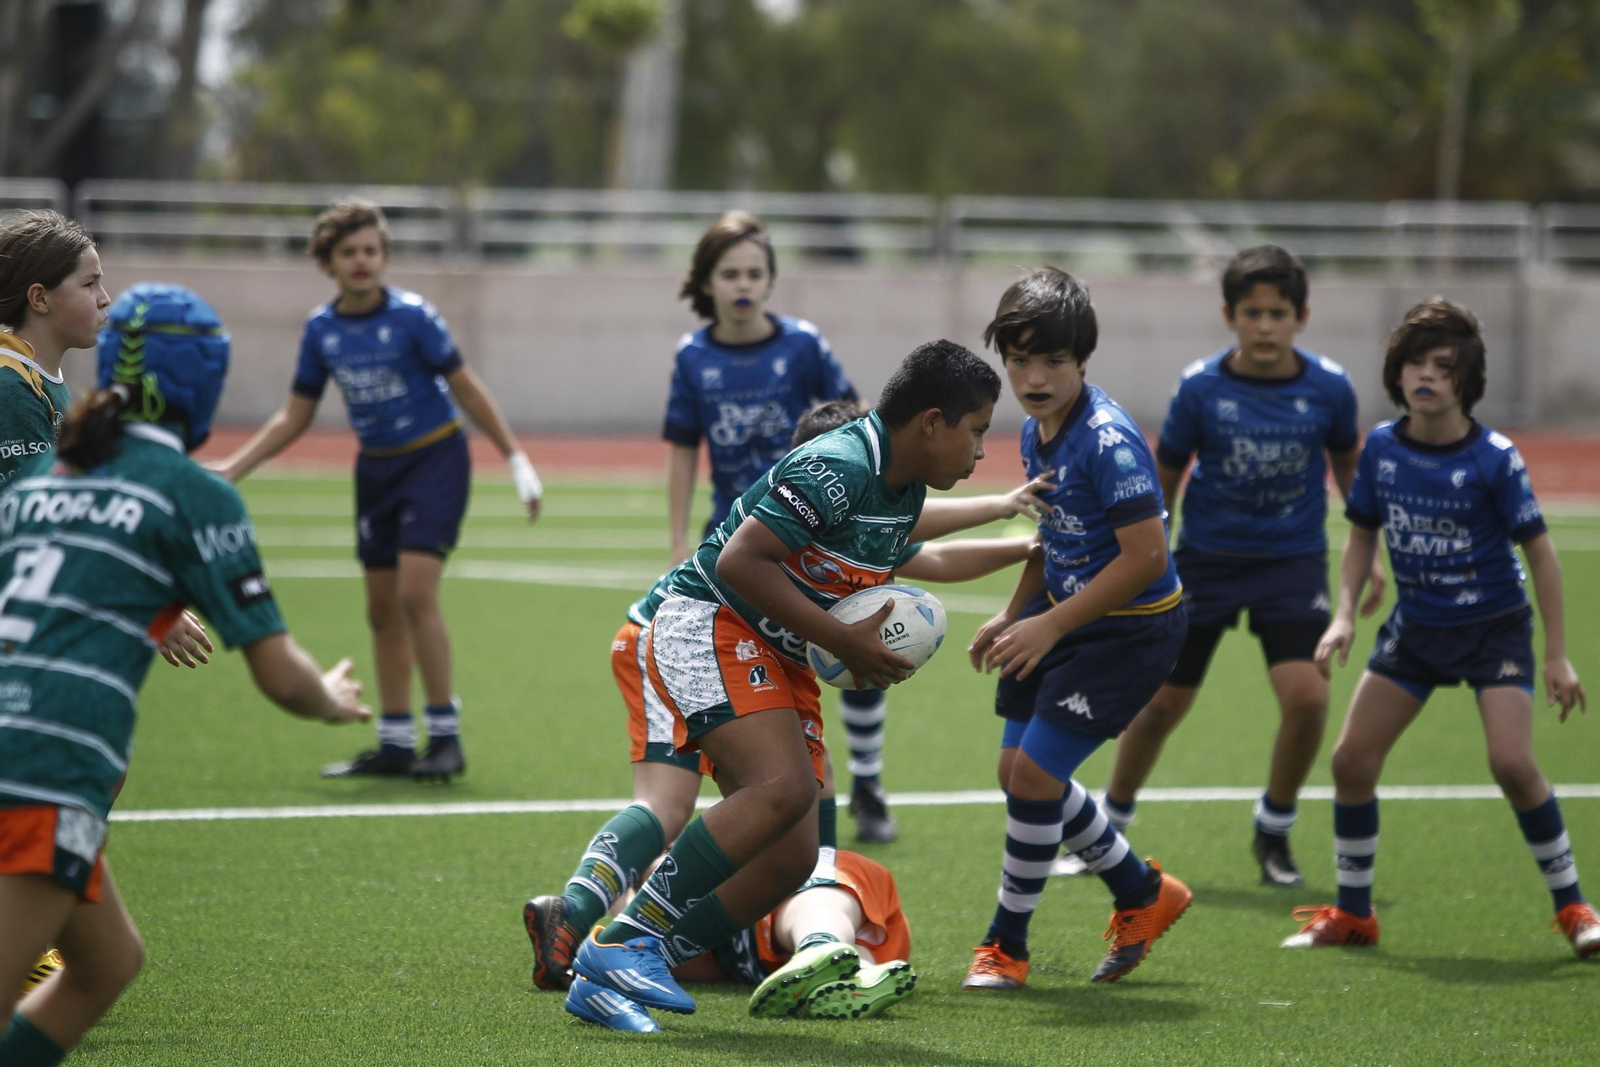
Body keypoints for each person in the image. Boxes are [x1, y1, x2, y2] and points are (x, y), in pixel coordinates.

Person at [524, 398, 1043, 994]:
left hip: (737, 649)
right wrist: (1006, 516)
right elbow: (923, 548)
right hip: (673, 635)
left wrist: (1018, 536)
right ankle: (589, 920)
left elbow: (931, 552)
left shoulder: (865, 518)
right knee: (671, 803)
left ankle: (632, 942)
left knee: (788, 806)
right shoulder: (827, 498)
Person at [0, 283, 370, 1065]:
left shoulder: (47, 479)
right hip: (43, 768)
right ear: (203, 383)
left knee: (108, 964)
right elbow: (279, 673)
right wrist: (330, 700)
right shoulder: (194, 492)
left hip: (25, 747)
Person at [1282, 298, 1595, 957]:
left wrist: (1557, 655)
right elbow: (1361, 535)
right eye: (1415, 363)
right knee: (1350, 760)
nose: (1427, 375)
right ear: (1397, 373)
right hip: (1418, 628)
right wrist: (1344, 615)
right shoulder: (1381, 448)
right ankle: (1355, 914)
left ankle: (1574, 907)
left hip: (1494, 629)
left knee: (1512, 763)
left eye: (1444, 366)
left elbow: (1541, 556)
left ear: (1467, 381)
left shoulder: (1494, 458)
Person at [212, 200, 543, 782]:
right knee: (381, 609)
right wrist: (232, 469)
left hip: (435, 459)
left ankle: (445, 737)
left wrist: (515, 458)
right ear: (327, 263)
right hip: (376, 470)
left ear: (385, 256)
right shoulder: (322, 329)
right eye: (348, 252)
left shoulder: (414, 317)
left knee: (416, 595)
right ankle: (395, 742)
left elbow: (465, 388)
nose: (361, 260)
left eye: (371, 250)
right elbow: (295, 415)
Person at [1095, 244, 1384, 888]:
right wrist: (1149, 558)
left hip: (1291, 563)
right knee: (1159, 706)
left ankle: (1274, 827)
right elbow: (1164, 476)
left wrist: (1373, 554)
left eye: (1278, 313)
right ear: (1230, 316)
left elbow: (1349, 469)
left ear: (1301, 317)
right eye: (1252, 313)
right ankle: (1109, 825)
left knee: (1308, 698)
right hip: (1205, 561)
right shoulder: (1200, 386)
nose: (1265, 326)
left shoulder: (1330, 387)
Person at [0, 217, 213, 1001]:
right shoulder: (11, 386)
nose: (105, 297)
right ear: (38, 297)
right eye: (89, 283)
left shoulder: (41, 381)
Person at [962, 267, 1192, 991]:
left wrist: (1050, 626)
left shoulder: (1108, 441)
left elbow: (1146, 557)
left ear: (1083, 359)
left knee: (1035, 777)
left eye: (1053, 361)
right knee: (1017, 775)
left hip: (1129, 630)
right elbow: (1051, 536)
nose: (1034, 377)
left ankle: (1006, 946)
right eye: (1019, 360)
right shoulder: (1039, 431)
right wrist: (1015, 612)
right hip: (1063, 617)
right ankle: (1141, 891)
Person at [663, 211, 902, 843]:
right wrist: (678, 538)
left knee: (855, 638)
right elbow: (683, 447)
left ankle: (869, 784)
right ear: (706, 281)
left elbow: (858, 419)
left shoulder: (802, 345)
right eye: (730, 273)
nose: (743, 284)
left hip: (821, 530)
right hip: (745, 541)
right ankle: (763, 788)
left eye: (754, 272)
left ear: (771, 280)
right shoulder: (693, 356)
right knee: (762, 666)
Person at [574, 847, 916, 1032]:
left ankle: (820, 945)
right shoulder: (668, 955)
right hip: (868, 947)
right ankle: (858, 978)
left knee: (810, 910)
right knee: (834, 948)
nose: (660, 897)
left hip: (823, 888)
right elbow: (605, 960)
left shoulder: (730, 875)